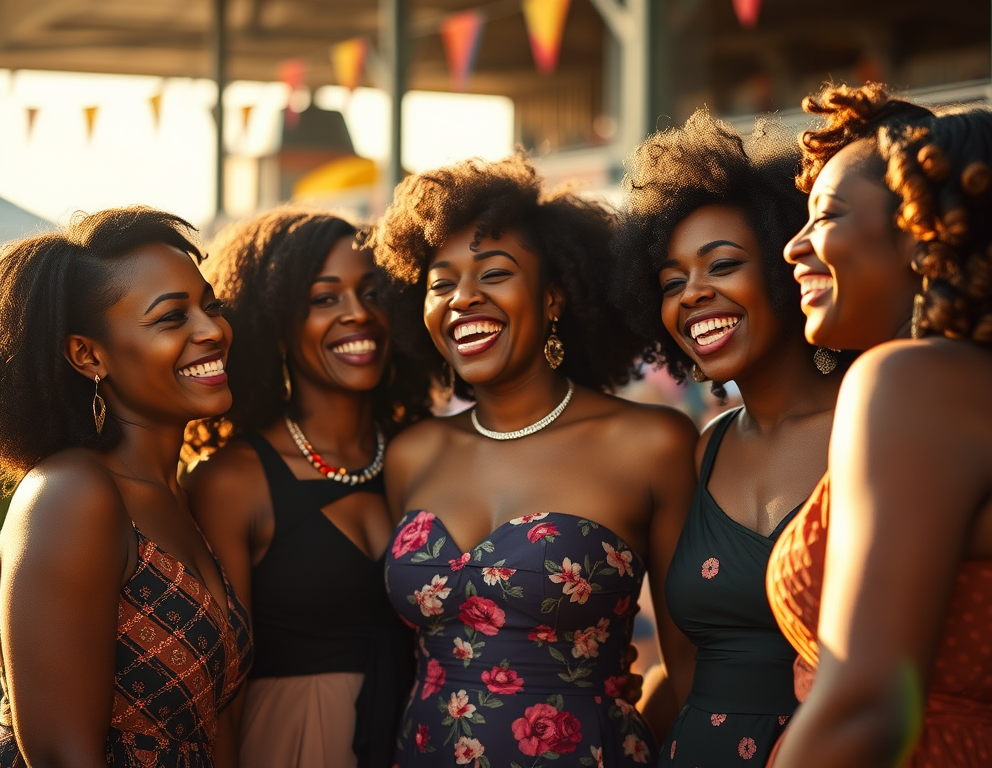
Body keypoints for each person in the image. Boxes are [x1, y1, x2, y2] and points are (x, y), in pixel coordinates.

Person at [362, 153, 698, 767]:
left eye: (494, 273)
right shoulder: (413, 453)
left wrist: (620, 735)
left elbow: (692, 663)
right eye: (441, 282)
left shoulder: (651, 444)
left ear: (553, 297)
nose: (463, 298)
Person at [767, 84, 992, 766]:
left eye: (826, 216)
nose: (794, 248)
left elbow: (865, 708)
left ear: (921, 232)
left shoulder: (911, 384)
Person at [612, 110, 844, 767]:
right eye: (671, 282)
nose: (693, 294)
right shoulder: (702, 449)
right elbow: (683, 669)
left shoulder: (870, 424)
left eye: (722, 265)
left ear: (788, 265)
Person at [0, 207, 252, 767]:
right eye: (171, 319)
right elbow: (61, 756)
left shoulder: (180, 494)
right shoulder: (71, 494)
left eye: (209, 306)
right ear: (88, 355)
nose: (212, 330)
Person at [185, 209, 432, 768]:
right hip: (295, 743)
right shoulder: (234, 481)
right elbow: (222, 687)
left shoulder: (427, 456)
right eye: (325, 299)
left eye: (373, 292)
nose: (358, 314)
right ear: (276, 320)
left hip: (428, 737)